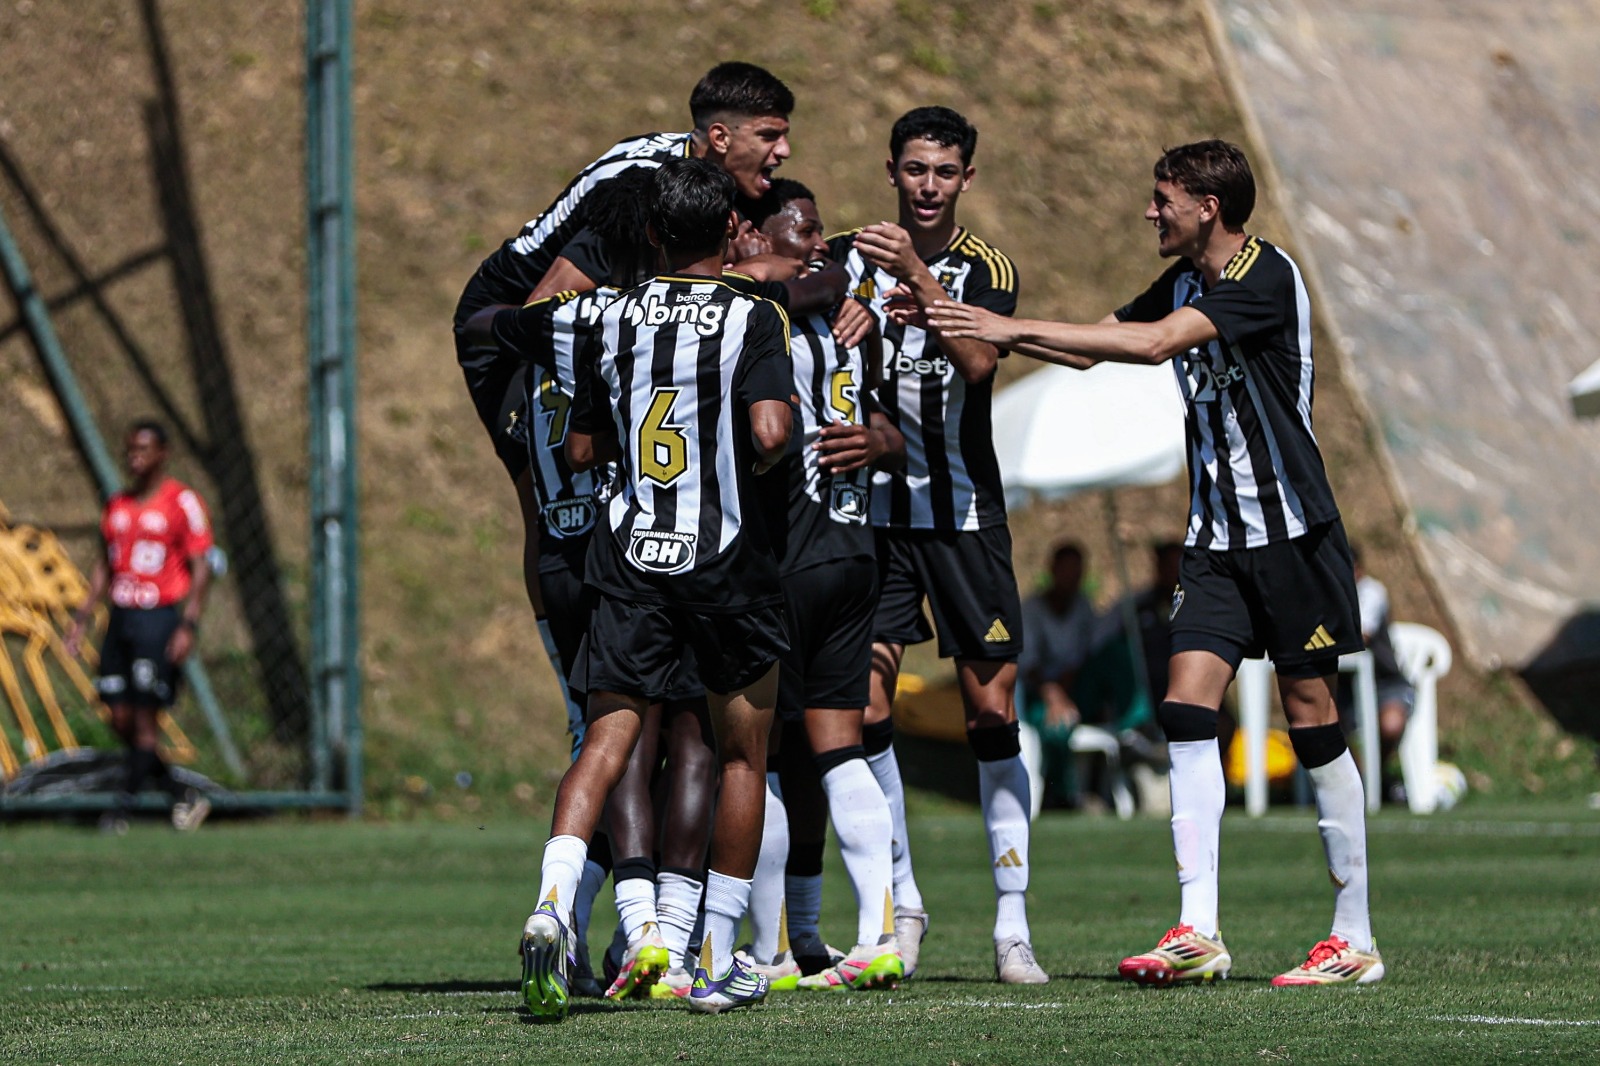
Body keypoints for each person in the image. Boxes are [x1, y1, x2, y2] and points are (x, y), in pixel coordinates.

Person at [928, 139, 1383, 987]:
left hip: (1293, 535)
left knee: (1312, 714)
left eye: (1162, 198)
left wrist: (1009, 327)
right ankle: (1197, 928)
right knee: (1183, 708)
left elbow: (1158, 346)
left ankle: (1353, 936)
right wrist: (979, 326)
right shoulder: (1177, 280)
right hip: (1215, 541)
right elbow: (1103, 344)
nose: (1149, 211)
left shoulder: (1263, 275)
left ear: (1207, 207)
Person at [518, 157, 794, 1020]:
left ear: (648, 236)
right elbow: (770, 430)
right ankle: (713, 956)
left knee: (606, 741)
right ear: (728, 233)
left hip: (632, 558)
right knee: (741, 754)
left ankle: (552, 905)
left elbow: (570, 432)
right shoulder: (755, 314)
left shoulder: (604, 315)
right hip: (729, 565)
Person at [451, 62, 805, 732]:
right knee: (561, 510)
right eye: (772, 134)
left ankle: (632, 701)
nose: (784, 151)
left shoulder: (695, 178)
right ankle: (582, 702)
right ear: (721, 138)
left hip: (568, 326)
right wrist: (745, 280)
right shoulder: (642, 188)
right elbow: (547, 306)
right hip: (506, 333)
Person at [466, 168, 717, 1001]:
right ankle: (636, 932)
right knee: (662, 746)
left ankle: (572, 921)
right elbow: (594, 450)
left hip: (554, 569)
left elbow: (492, 327)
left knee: (597, 745)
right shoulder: (627, 334)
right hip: (625, 562)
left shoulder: (536, 353)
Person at [832, 106, 1047, 985]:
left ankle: (1011, 925)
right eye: (914, 169)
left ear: (966, 180)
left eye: (944, 172)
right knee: (869, 710)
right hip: (874, 520)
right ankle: (901, 903)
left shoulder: (986, 269)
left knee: (990, 715)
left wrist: (915, 278)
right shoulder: (846, 254)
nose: (927, 185)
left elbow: (980, 367)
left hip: (963, 516)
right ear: (891, 170)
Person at [740, 178, 907, 991]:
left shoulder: (762, 317)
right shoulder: (848, 320)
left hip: (795, 553)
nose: (815, 244)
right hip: (855, 552)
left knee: (761, 757)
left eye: (816, 232)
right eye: (799, 231)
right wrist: (879, 441)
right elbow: (892, 431)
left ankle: (769, 950)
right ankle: (875, 932)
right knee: (838, 750)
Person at [65, 421, 213, 833]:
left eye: (144, 449)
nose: (135, 457)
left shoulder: (182, 502)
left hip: (158, 619)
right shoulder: (117, 505)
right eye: (130, 449)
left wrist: (188, 624)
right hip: (121, 618)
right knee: (119, 716)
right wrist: (82, 617)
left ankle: (121, 810)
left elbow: (202, 566)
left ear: (162, 453)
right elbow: (105, 565)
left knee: (147, 721)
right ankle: (181, 794)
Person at [1342, 545, 1415, 803]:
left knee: (1391, 724)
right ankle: (1361, 781)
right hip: (1345, 686)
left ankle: (1375, 778)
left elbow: (1360, 634)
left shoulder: (1372, 592)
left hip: (1386, 684)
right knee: (1320, 727)